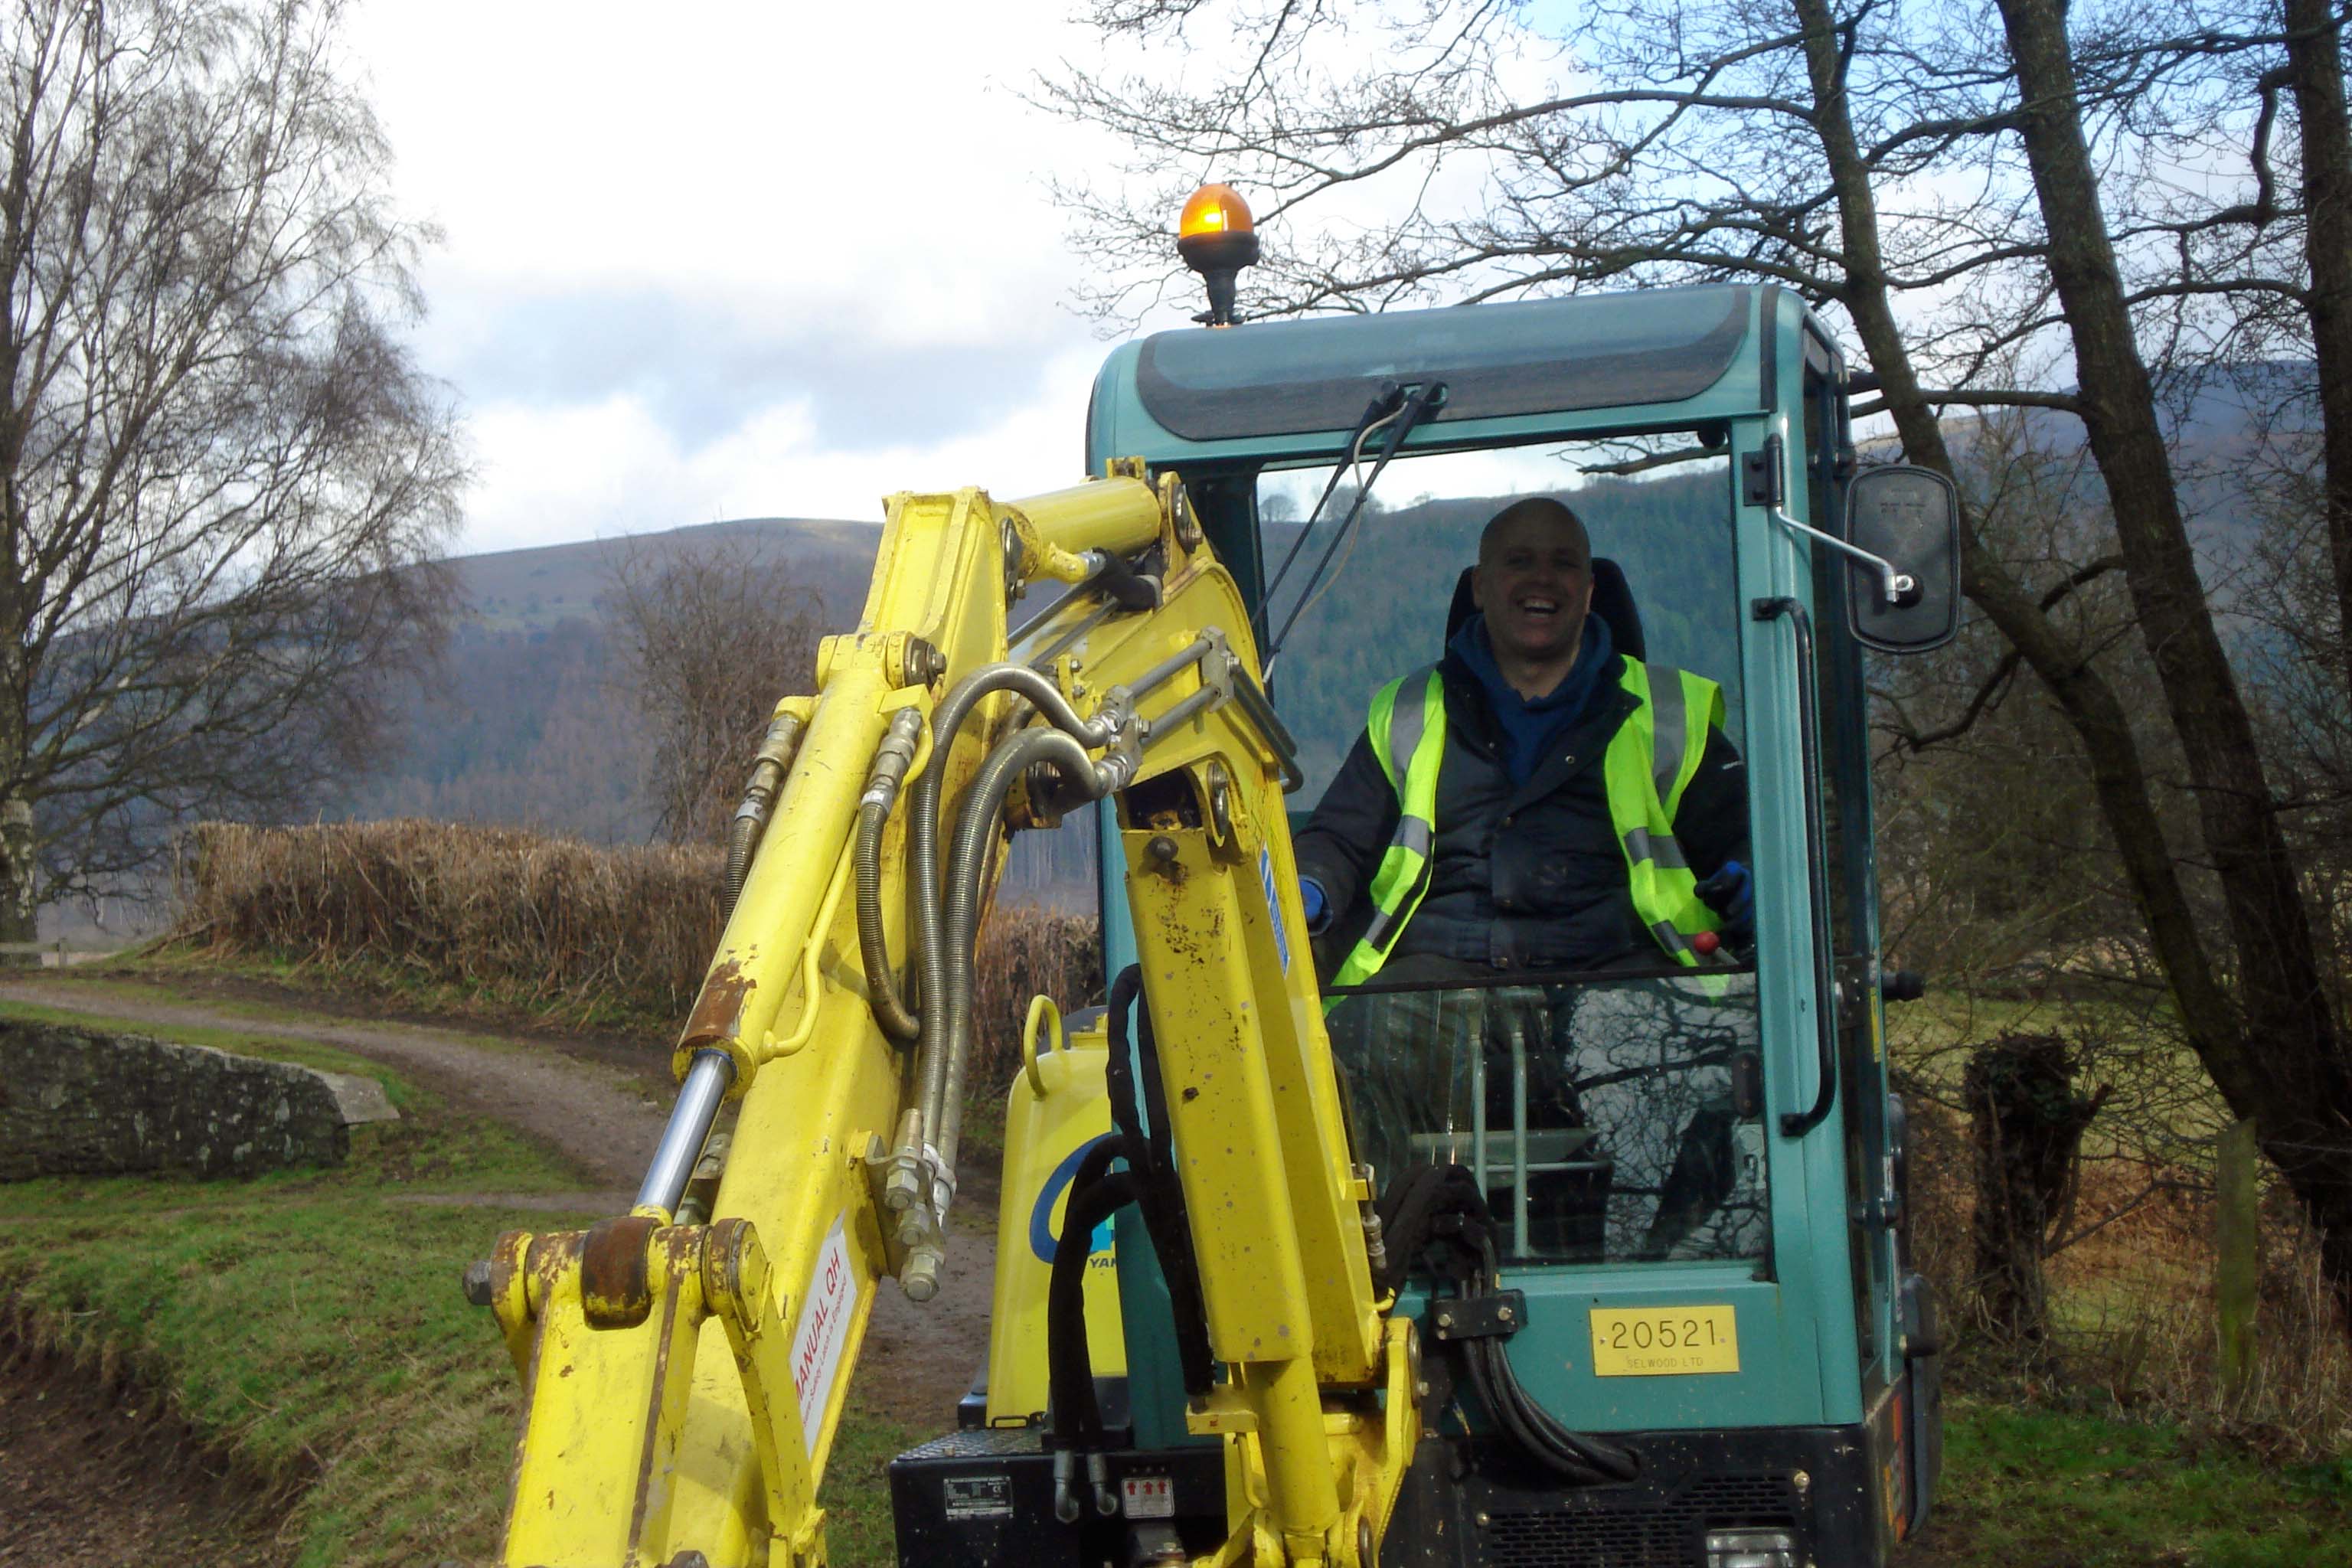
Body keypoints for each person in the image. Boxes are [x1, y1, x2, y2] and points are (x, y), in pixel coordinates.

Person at [1293, 495, 1760, 1260]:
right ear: (1478, 584)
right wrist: (1308, 889)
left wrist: (1752, 877)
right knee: (1352, 1046)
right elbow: (1340, 837)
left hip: (1619, 981)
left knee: (1690, 1072)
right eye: (1518, 561)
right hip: (1438, 981)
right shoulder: (1409, 712)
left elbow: (1741, 834)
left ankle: (1658, 1274)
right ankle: (1391, 1264)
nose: (1540, 579)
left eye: (1562, 563)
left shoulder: (1669, 712)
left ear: (1589, 588)